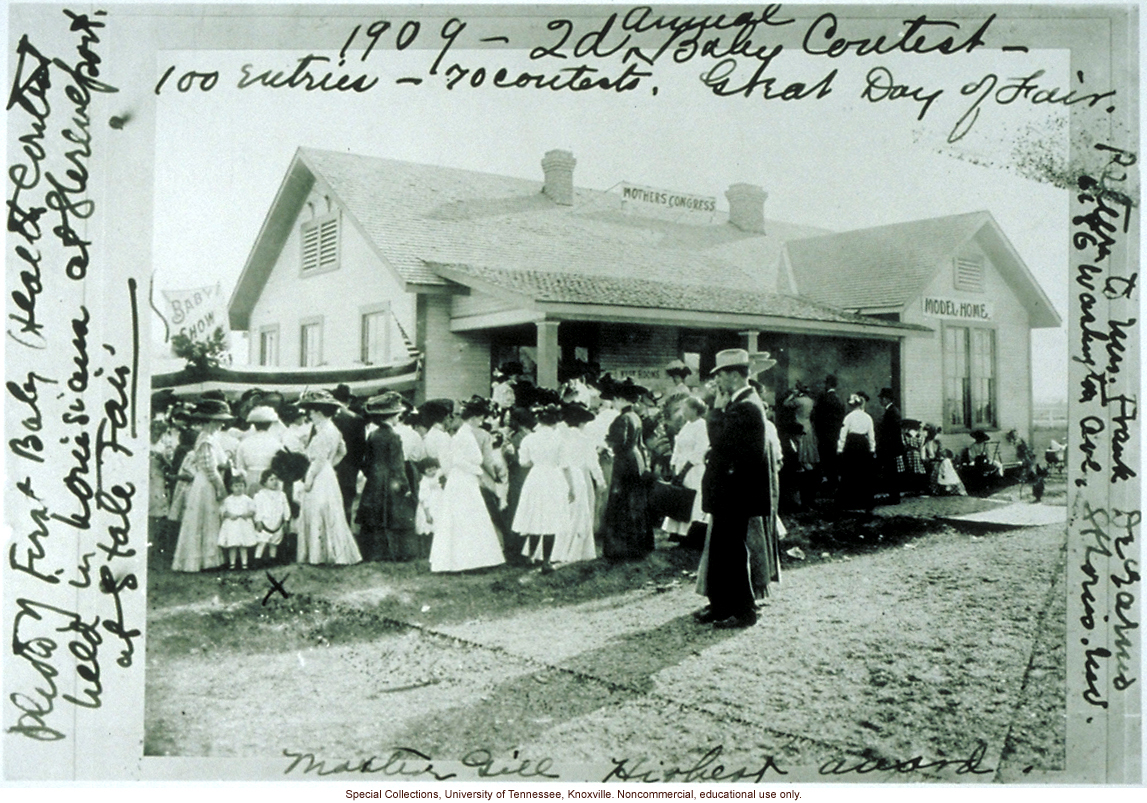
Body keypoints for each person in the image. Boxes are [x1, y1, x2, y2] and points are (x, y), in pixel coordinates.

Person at [694, 349, 769, 629]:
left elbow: (720, 439)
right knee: (721, 548)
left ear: (736, 376)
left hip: (735, 491)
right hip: (731, 489)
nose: (718, 383)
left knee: (732, 551)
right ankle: (721, 605)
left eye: (721, 376)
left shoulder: (745, 406)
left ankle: (744, 611)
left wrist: (714, 409)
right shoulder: (742, 403)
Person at [429, 398, 506, 573]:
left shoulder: (464, 433)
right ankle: (465, 561)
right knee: (466, 518)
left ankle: (471, 560)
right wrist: (478, 471)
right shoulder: (464, 435)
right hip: (463, 480)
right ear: (473, 418)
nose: (481, 422)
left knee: (468, 518)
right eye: (480, 418)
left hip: (465, 479)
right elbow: (459, 460)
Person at [296, 389, 363, 565]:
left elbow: (318, 460)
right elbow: (343, 451)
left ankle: (319, 555)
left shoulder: (324, 431)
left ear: (319, 411)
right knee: (331, 512)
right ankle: (330, 552)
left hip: (319, 475)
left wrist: (309, 479)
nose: (309, 415)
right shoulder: (332, 429)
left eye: (311, 411)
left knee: (318, 511)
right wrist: (330, 465)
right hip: (328, 474)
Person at [171, 399, 233, 572]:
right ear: (211, 420)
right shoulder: (205, 439)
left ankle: (210, 559)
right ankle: (202, 560)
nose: (222, 424)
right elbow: (209, 468)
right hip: (206, 483)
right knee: (205, 519)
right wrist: (220, 487)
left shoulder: (211, 438)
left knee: (210, 520)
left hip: (208, 481)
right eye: (219, 420)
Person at [513, 404, 575, 572]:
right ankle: (546, 561)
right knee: (550, 518)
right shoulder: (560, 440)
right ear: (555, 422)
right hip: (554, 478)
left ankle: (531, 556)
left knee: (535, 515)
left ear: (539, 420)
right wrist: (571, 487)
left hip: (536, 476)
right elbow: (565, 465)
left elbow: (523, 462)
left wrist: (537, 460)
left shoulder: (529, 439)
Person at [356, 392, 417, 562]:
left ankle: (373, 553)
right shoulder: (394, 437)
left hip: (374, 482)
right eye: (398, 414)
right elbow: (398, 466)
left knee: (374, 518)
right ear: (391, 416)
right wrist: (405, 487)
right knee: (394, 517)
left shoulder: (373, 435)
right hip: (391, 483)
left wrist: (374, 475)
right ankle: (394, 553)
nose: (399, 417)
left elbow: (366, 462)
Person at [601, 382, 653, 560]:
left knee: (621, 502)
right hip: (636, 460)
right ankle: (640, 545)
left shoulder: (622, 418)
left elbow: (619, 443)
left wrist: (606, 445)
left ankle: (622, 549)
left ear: (621, 399)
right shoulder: (635, 416)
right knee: (635, 502)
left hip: (625, 462)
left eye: (615, 399)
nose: (614, 403)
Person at [553, 402, 602, 565]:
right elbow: (592, 463)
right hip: (579, 476)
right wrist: (600, 480)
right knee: (579, 513)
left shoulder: (559, 437)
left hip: (561, 476)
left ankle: (556, 549)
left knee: (562, 511)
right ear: (581, 423)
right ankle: (575, 550)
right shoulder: (584, 439)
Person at [661, 395, 709, 546]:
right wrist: (674, 465)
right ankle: (678, 534)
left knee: (692, 500)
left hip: (694, 469)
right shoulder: (687, 425)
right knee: (679, 498)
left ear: (695, 410)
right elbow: (678, 446)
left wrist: (684, 470)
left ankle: (692, 536)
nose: (683, 412)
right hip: (681, 466)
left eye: (685, 409)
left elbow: (700, 450)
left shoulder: (702, 426)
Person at [331, 384, 367, 524]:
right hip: (348, 468)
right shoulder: (356, 419)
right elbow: (360, 450)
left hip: (328, 466)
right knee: (345, 505)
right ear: (349, 401)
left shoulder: (327, 417)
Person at [837, 391, 876, 512]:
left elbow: (843, 434)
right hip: (863, 446)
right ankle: (865, 502)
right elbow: (871, 435)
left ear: (852, 405)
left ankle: (851, 502)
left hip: (852, 445)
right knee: (863, 473)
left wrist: (840, 449)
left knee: (850, 472)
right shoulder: (867, 417)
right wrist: (872, 449)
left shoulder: (848, 417)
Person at [235, 406, 284, 491]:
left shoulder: (244, 443)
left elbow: (240, 466)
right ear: (270, 424)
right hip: (269, 479)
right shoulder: (276, 443)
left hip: (250, 478)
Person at [813, 374, 846, 497]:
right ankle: (834, 486)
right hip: (835, 435)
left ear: (827, 384)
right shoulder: (839, 399)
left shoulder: (823, 398)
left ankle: (828, 488)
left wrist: (818, 433)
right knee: (833, 461)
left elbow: (817, 418)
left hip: (824, 436)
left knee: (825, 461)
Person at [218, 472, 257, 570]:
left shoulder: (247, 499)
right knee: (233, 545)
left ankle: (244, 563)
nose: (239, 488)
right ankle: (232, 563)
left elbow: (253, 510)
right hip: (232, 525)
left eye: (241, 486)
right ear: (231, 487)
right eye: (236, 486)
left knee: (243, 545)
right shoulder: (228, 500)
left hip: (243, 524)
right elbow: (223, 511)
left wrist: (246, 514)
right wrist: (229, 515)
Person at [253, 469, 291, 565]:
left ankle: (272, 559)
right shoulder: (260, 495)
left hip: (277, 523)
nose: (275, 481)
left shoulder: (282, 495)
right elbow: (257, 509)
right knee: (262, 542)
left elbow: (286, 508)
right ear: (264, 482)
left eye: (276, 479)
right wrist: (258, 521)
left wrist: (286, 519)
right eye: (271, 479)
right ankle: (257, 560)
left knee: (274, 542)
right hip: (265, 523)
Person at [875, 387, 904, 505]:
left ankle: (894, 497)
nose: (880, 401)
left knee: (891, 473)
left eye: (881, 398)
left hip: (890, 448)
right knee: (891, 472)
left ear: (887, 399)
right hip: (891, 447)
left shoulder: (892, 412)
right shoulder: (891, 411)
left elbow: (892, 433)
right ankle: (893, 496)